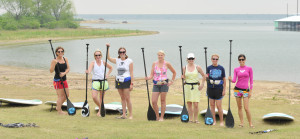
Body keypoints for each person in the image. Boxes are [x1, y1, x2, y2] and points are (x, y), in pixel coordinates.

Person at [145, 50, 176, 121]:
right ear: (157, 56)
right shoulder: (154, 64)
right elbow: (151, 75)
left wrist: (172, 81)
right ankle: (157, 116)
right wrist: (148, 78)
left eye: (161, 55)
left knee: (162, 101)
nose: (160, 56)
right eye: (159, 55)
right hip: (156, 84)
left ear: (164, 56)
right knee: (154, 101)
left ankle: (162, 117)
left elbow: (174, 72)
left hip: (164, 84)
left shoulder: (167, 64)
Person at [106, 43, 133, 119]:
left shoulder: (129, 61)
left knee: (127, 98)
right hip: (118, 80)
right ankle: (124, 114)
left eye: (123, 52)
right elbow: (108, 58)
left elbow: (131, 73)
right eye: (120, 52)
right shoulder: (117, 60)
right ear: (119, 53)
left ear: (125, 52)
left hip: (126, 80)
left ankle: (130, 115)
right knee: (122, 97)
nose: (122, 53)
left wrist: (132, 83)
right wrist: (108, 48)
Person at [228, 54, 254, 128]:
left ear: (245, 60)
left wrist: (250, 91)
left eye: (242, 59)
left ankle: (250, 123)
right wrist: (230, 79)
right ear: (238, 60)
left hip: (246, 90)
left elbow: (251, 81)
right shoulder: (236, 69)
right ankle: (241, 123)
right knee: (239, 107)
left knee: (246, 108)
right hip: (237, 89)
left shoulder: (249, 68)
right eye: (240, 60)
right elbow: (234, 80)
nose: (241, 61)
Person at [86, 49, 113, 117]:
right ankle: (101, 108)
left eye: (99, 55)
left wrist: (107, 74)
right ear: (94, 56)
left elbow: (111, 68)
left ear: (101, 56)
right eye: (96, 55)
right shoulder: (93, 63)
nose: (98, 56)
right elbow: (89, 70)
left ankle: (100, 111)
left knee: (101, 98)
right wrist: (88, 72)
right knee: (94, 97)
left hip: (103, 81)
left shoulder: (103, 62)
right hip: (95, 81)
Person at [182, 53, 206, 123]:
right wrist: (183, 78)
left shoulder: (198, 67)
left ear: (194, 59)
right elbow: (184, 77)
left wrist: (202, 84)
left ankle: (196, 119)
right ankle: (190, 119)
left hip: (196, 87)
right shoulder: (184, 67)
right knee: (189, 104)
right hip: (187, 87)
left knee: (195, 104)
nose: (191, 60)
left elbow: (203, 75)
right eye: (189, 59)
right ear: (187, 59)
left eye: (192, 59)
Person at [206, 54, 226, 126]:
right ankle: (214, 121)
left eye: (216, 59)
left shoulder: (221, 68)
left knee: (219, 106)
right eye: (213, 59)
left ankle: (221, 121)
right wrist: (206, 77)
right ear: (211, 59)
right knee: (212, 105)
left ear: (218, 60)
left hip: (219, 88)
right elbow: (207, 78)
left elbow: (224, 79)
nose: (215, 60)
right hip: (210, 88)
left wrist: (224, 89)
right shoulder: (208, 68)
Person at [49, 46, 70, 115]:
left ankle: (58, 107)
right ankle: (59, 110)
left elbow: (68, 68)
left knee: (67, 95)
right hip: (57, 80)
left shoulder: (65, 59)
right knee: (61, 96)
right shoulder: (54, 60)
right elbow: (51, 71)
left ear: (63, 53)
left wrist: (64, 73)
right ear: (56, 53)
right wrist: (54, 63)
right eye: (59, 51)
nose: (60, 52)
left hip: (64, 79)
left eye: (62, 51)